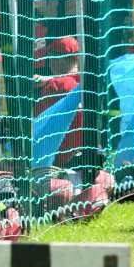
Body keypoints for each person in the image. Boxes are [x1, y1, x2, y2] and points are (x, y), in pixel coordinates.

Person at [35, 36, 83, 168]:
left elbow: (39, 124)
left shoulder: (55, 86)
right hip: (83, 155)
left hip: (54, 160)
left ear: (58, 59)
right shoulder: (84, 83)